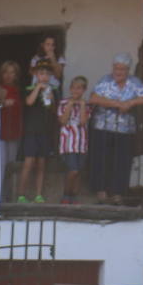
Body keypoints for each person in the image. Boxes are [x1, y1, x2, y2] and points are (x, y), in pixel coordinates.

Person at [88, 53, 143, 205]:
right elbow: (94, 98)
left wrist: (130, 103)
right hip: (102, 126)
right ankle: (101, 191)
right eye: (116, 68)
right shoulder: (106, 80)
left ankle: (118, 193)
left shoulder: (135, 82)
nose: (118, 72)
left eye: (122, 69)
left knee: (122, 161)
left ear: (128, 70)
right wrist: (117, 104)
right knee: (102, 159)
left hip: (125, 129)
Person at [18, 61, 59, 204]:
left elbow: (54, 111)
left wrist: (51, 98)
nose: (45, 77)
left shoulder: (53, 90)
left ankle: (38, 195)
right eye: (41, 73)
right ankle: (21, 195)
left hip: (45, 132)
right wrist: (38, 88)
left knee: (42, 164)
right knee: (28, 163)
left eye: (48, 74)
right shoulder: (29, 88)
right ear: (36, 74)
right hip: (31, 131)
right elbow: (29, 102)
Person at [57, 76, 91, 204]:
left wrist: (82, 105)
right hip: (68, 144)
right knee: (73, 170)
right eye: (74, 87)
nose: (76, 91)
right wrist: (70, 104)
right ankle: (66, 195)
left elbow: (83, 122)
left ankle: (73, 196)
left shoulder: (86, 105)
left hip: (82, 144)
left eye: (80, 88)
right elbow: (63, 121)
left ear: (84, 90)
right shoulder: (63, 103)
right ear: (70, 89)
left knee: (78, 172)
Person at [0, 60, 25, 196]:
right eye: (6, 72)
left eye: (12, 72)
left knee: (11, 166)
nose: (8, 75)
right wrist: (2, 102)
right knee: (0, 165)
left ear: (16, 75)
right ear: (1, 74)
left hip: (15, 131)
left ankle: (9, 195)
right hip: (0, 132)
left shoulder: (20, 91)